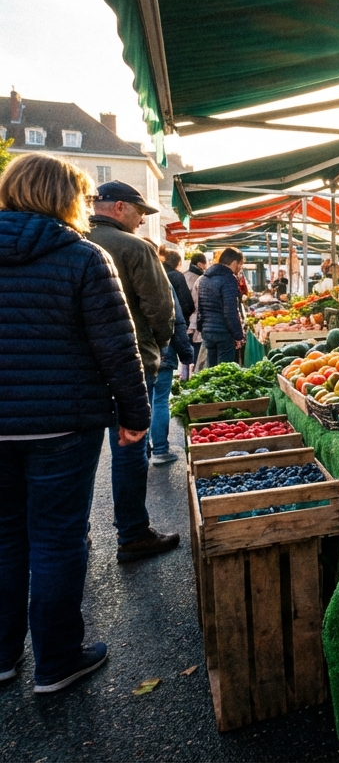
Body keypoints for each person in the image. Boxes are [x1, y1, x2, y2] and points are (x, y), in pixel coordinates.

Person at [0, 153, 150, 692]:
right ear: (68, 198)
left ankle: (2, 655)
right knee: (58, 538)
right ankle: (58, 660)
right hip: (63, 425)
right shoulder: (81, 257)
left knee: (4, 537)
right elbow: (117, 346)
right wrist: (135, 415)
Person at [87, 179, 180, 564]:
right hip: (133, 361)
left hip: (82, 368)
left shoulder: (73, 241)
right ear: (120, 207)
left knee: (80, 454)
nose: (143, 220)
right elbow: (160, 309)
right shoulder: (134, 248)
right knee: (129, 446)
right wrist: (158, 344)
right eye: (140, 212)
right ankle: (132, 532)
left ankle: (77, 533)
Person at [149, 284, 194, 466]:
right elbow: (176, 320)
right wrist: (186, 354)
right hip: (162, 353)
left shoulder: (119, 277)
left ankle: (141, 450)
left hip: (131, 355)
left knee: (139, 401)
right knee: (159, 401)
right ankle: (160, 450)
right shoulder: (160, 282)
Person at [198, 247, 246, 367]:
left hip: (207, 331)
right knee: (224, 371)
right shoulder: (228, 279)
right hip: (223, 333)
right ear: (234, 262)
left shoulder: (204, 278)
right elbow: (230, 311)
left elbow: (201, 308)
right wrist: (238, 335)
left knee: (212, 369)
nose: (240, 268)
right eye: (240, 264)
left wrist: (202, 327)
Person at [184, 252, 206, 373]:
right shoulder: (197, 278)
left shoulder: (184, 276)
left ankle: (187, 375)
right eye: (204, 264)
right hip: (194, 320)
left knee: (187, 351)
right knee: (196, 352)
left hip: (186, 320)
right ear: (199, 264)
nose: (206, 267)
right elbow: (196, 303)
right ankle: (194, 374)